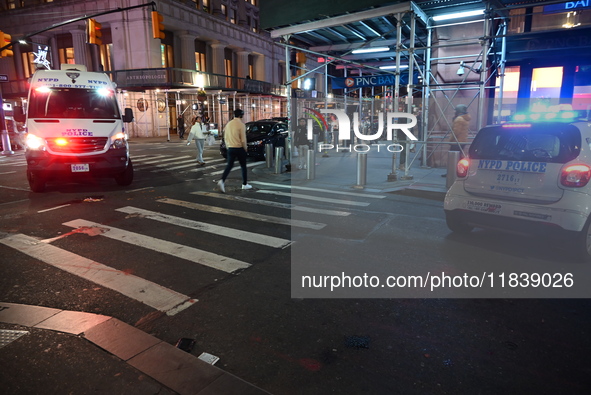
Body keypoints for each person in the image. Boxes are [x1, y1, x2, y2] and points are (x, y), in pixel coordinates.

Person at [218, 109, 251, 192]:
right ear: (241, 115)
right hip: (239, 147)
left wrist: (228, 146)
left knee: (229, 165)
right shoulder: (241, 125)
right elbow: (243, 139)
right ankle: (244, 184)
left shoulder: (229, 124)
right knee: (243, 166)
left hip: (230, 148)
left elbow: (225, 137)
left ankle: (222, 180)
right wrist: (245, 148)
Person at [442, 104, 471, 177]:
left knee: (452, 158)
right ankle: (461, 171)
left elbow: (456, 132)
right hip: (462, 141)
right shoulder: (465, 118)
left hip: (456, 141)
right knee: (459, 158)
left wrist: (450, 140)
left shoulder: (459, 119)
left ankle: (451, 172)